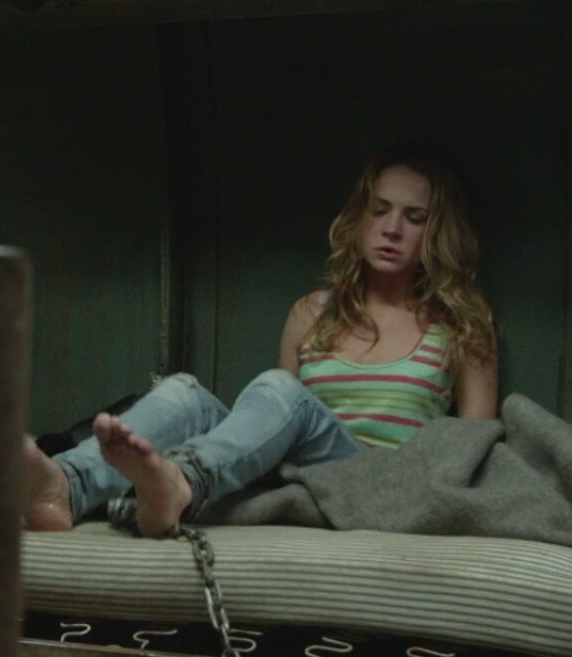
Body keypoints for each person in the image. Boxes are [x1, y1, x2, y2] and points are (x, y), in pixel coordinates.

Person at [25, 145, 499, 537]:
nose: (392, 229)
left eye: (415, 217)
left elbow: (469, 455)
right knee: (183, 393)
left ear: (437, 231)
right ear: (360, 218)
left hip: (378, 488)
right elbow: (277, 428)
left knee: (280, 389)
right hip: (300, 477)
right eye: (380, 210)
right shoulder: (311, 314)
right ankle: (66, 485)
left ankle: (180, 484)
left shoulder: (462, 325)